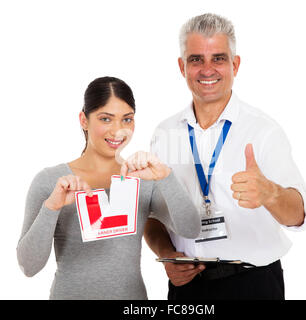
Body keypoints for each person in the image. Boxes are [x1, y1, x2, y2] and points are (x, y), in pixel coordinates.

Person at [144, 13, 306, 300]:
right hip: (187, 286)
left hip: (252, 284)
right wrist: (167, 255)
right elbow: (152, 215)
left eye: (218, 58)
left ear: (235, 64)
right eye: (196, 59)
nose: (207, 69)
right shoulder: (166, 133)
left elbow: (298, 216)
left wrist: (270, 193)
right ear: (182, 66)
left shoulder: (263, 131)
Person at [17, 76, 200, 300]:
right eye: (106, 119)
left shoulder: (143, 178)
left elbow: (191, 229)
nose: (118, 131)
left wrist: (166, 177)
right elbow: (29, 266)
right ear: (84, 120)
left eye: (127, 119)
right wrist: (51, 207)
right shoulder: (52, 181)